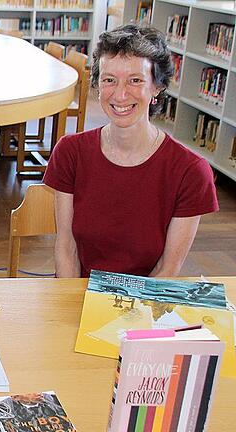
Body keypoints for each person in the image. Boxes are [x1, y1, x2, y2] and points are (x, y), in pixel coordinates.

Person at [44, 24, 218, 278]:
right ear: (98, 85)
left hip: (146, 304)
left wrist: (127, 316)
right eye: (109, 80)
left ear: (157, 87)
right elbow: (66, 248)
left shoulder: (190, 171)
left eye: (135, 80)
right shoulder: (70, 152)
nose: (121, 94)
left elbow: (167, 269)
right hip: (80, 297)